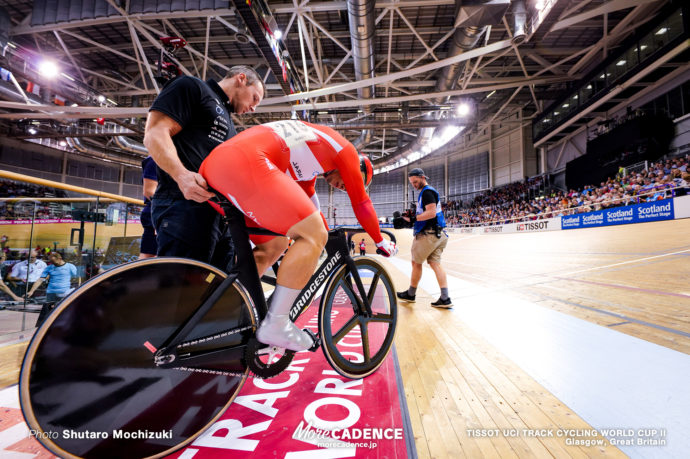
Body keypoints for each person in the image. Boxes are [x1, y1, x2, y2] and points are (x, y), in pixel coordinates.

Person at [200, 120, 397, 351]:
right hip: (246, 163)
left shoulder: (310, 166)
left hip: (217, 166)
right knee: (313, 235)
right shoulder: (346, 151)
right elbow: (361, 202)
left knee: (274, 245)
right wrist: (381, 240)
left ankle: (226, 312)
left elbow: (309, 203)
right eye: (354, 182)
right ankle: (277, 324)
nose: (346, 187)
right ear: (358, 168)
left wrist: (324, 231)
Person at [143, 65, 264, 265]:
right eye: (254, 98)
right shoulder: (193, 87)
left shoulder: (229, 123)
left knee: (216, 290)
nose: (254, 108)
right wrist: (182, 176)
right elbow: (155, 132)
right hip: (183, 207)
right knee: (181, 289)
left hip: (218, 217)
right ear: (241, 79)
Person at [396, 168, 452, 308]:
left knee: (416, 263)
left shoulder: (427, 192)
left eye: (415, 181)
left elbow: (431, 213)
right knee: (435, 264)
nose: (414, 185)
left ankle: (411, 293)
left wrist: (412, 219)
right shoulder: (426, 193)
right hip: (439, 234)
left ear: (422, 177)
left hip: (429, 234)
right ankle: (445, 298)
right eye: (411, 183)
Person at [139, 156, 158, 259]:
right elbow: (149, 192)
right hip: (156, 213)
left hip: (159, 212)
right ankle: (138, 275)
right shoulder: (154, 159)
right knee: (148, 254)